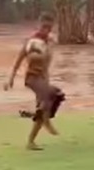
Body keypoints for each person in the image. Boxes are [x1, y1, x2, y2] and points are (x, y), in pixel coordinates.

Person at [4, 12, 64, 150]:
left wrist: (47, 80)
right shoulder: (32, 41)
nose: (46, 30)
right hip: (32, 79)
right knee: (47, 99)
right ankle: (46, 120)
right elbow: (19, 60)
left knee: (54, 97)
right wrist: (10, 79)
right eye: (44, 27)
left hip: (42, 80)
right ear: (39, 26)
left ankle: (31, 141)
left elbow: (46, 66)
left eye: (49, 28)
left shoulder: (48, 43)